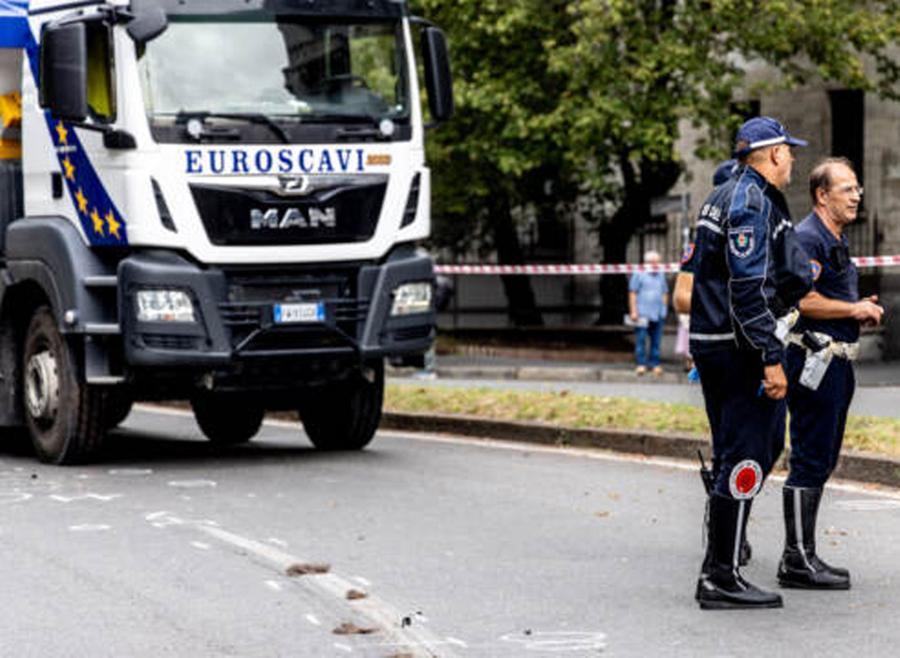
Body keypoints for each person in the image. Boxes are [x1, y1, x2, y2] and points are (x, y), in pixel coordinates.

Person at [684, 116, 813, 610]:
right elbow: (747, 287)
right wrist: (770, 357)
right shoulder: (749, 200)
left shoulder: (725, 194)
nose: (793, 160)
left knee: (743, 451)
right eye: (789, 151)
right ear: (773, 153)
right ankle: (721, 575)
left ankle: (723, 566)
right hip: (738, 350)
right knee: (747, 454)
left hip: (719, 345)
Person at [778, 158, 884, 590]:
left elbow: (830, 298)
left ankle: (803, 553)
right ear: (822, 195)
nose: (856, 195)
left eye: (857, 188)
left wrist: (855, 311)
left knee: (823, 457)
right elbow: (803, 301)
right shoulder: (807, 238)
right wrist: (852, 308)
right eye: (847, 189)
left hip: (838, 361)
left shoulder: (834, 238)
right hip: (814, 362)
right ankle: (796, 559)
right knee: (809, 456)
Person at [628, 250, 669, 376]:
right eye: (655, 262)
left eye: (658, 262)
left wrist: (664, 308)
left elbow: (665, 292)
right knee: (641, 340)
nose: (657, 264)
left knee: (656, 341)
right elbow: (632, 293)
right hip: (642, 313)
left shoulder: (661, 274)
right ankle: (641, 364)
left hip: (658, 313)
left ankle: (655, 364)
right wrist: (633, 311)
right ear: (648, 262)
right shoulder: (638, 274)